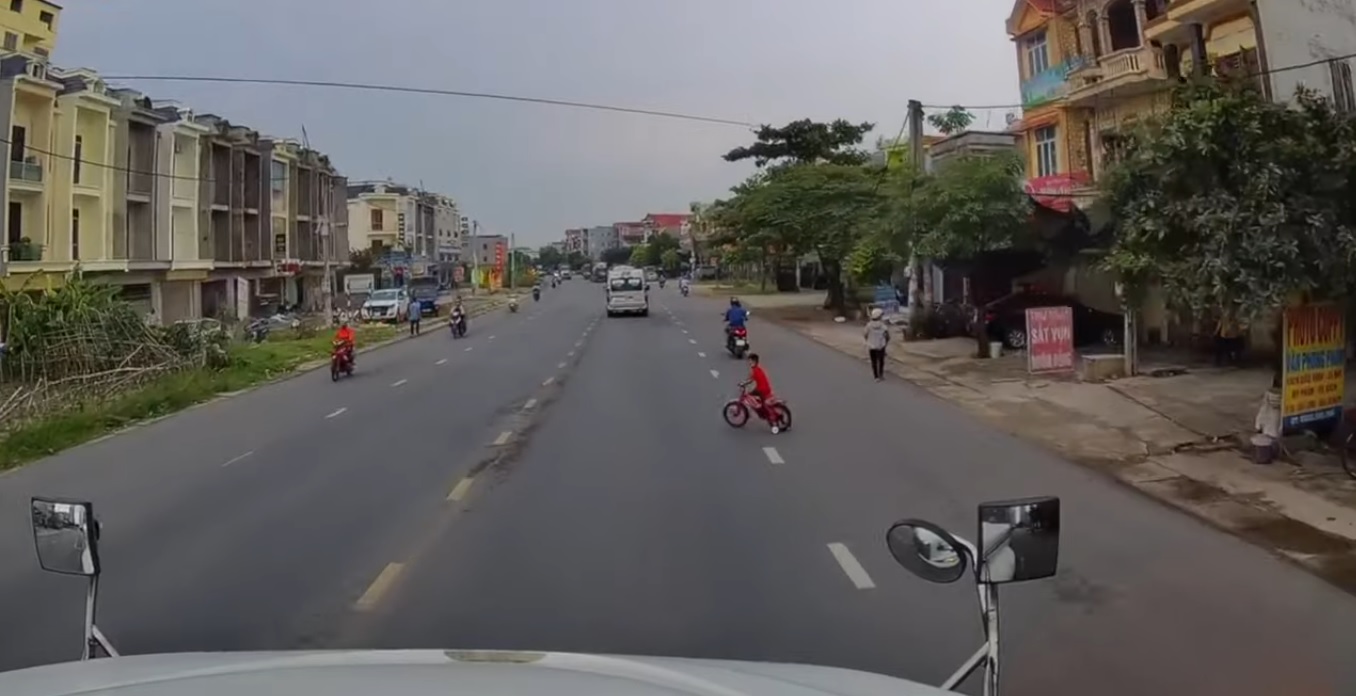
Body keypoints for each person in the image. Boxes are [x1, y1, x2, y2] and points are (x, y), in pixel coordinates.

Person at [741, 353, 779, 433]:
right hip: (762, 388)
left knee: (750, 396)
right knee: (752, 396)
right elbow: (750, 378)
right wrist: (745, 382)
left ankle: (772, 423)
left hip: (762, 390)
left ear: (754, 361)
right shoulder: (758, 368)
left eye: (750, 361)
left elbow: (750, 380)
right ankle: (760, 409)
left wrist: (743, 384)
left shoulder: (756, 370)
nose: (749, 363)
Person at [864, 307, 891, 381]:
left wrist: (868, 340)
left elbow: (865, 335)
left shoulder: (868, 325)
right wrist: (885, 343)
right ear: (879, 316)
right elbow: (887, 336)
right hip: (881, 346)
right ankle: (881, 375)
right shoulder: (883, 326)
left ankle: (876, 376)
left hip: (871, 346)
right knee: (881, 361)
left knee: (874, 361)